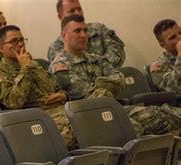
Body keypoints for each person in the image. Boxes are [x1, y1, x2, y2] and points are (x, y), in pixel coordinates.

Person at [50, 15, 180, 137]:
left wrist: (99, 86)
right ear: (64, 35)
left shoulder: (97, 59)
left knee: (170, 115)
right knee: (133, 128)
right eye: (77, 31)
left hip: (116, 107)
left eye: (85, 30)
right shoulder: (60, 66)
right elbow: (86, 95)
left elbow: (119, 79)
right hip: (89, 116)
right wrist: (105, 85)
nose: (84, 35)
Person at [0, 25, 76, 149]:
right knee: (75, 128)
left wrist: (63, 95)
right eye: (14, 41)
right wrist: (25, 68)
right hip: (35, 118)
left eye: (22, 40)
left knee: (89, 118)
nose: (20, 45)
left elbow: (56, 87)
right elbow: (13, 103)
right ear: (1, 47)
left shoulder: (34, 64)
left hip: (58, 110)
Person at [47, 0, 125, 68]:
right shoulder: (56, 47)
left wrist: (99, 70)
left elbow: (118, 52)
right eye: (72, 11)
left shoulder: (99, 30)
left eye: (79, 9)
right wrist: (102, 68)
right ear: (60, 17)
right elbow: (65, 72)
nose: (77, 13)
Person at [150, 19, 181, 93]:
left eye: (180, 33)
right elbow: (174, 89)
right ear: (162, 45)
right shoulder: (158, 66)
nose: (180, 38)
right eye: (172, 37)